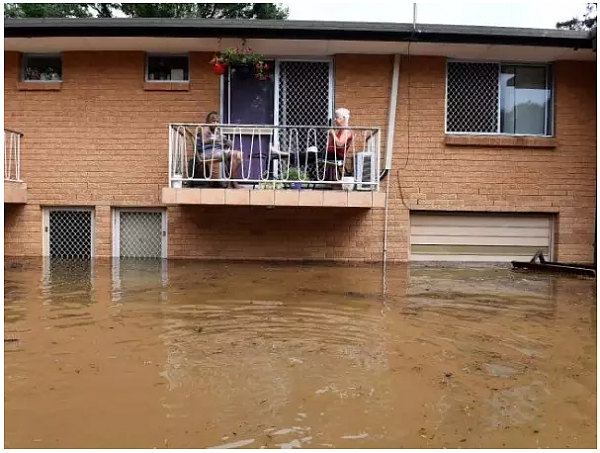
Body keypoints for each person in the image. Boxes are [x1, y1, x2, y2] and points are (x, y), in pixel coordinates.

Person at [198, 111, 242, 188]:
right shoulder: (204, 129)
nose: (216, 123)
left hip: (216, 151)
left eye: (217, 121)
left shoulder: (216, 131)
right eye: (213, 121)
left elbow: (224, 142)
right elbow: (204, 141)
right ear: (207, 121)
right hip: (206, 153)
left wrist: (226, 141)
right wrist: (218, 139)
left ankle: (231, 181)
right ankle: (233, 182)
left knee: (238, 156)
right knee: (236, 155)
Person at [326, 107, 354, 181]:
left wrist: (333, 134)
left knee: (312, 155)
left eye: (337, 117)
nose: (335, 119)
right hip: (332, 154)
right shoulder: (341, 130)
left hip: (336, 156)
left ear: (344, 119)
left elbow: (339, 144)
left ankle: (294, 158)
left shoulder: (346, 131)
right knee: (312, 154)